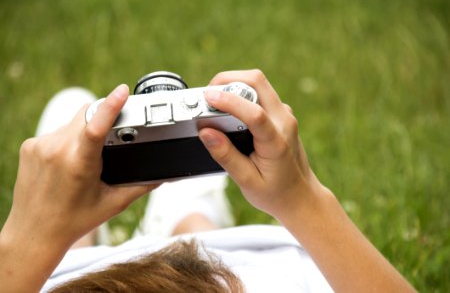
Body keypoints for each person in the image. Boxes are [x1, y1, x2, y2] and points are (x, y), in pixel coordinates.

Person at [0, 69, 416, 292]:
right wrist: (303, 199)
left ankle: (79, 244)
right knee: (214, 249)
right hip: (241, 283)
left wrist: (26, 246)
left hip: (81, 284)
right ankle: (189, 219)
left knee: (68, 270)